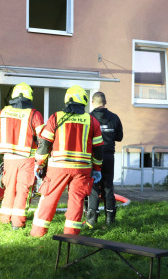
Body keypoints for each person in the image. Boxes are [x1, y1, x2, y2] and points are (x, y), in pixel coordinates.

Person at [30, 85, 104, 237]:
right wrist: (97, 168)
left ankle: (38, 233)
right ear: (83, 101)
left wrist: (39, 164)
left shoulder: (56, 117)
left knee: (49, 197)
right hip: (82, 169)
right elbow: (98, 148)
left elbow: (44, 144)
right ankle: (71, 235)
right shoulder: (91, 121)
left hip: (58, 167)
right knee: (77, 201)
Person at [0, 82, 45, 229]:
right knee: (23, 190)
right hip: (26, 158)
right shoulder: (34, 114)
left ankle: (5, 218)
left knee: (9, 189)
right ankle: (18, 223)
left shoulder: (3, 112)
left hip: (8, 158)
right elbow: (43, 136)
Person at [86, 91, 123, 227]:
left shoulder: (88, 118)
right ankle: (109, 220)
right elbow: (119, 137)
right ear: (105, 102)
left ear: (93, 103)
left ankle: (91, 220)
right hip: (108, 156)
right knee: (108, 186)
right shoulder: (114, 118)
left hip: (93, 156)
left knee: (94, 187)